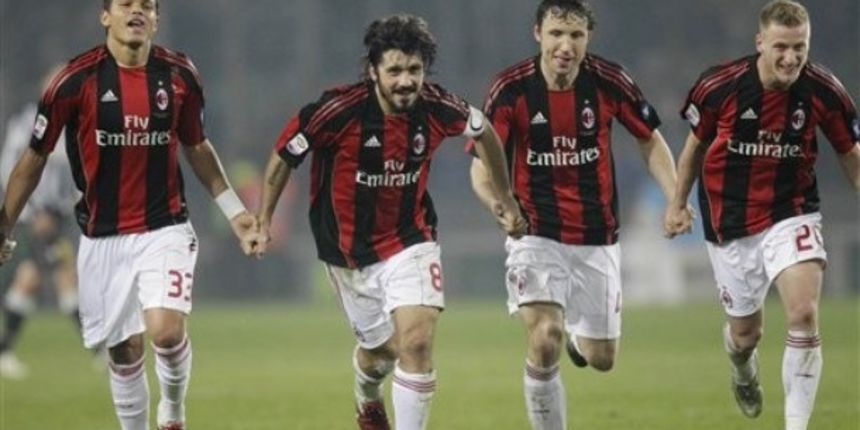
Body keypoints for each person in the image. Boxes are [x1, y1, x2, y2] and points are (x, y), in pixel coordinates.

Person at [256, 13, 526, 430]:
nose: (405, 81)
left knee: (416, 342)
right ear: (373, 71)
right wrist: (263, 221)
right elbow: (283, 157)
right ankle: (366, 394)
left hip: (410, 238)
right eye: (395, 70)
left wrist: (505, 197)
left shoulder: (437, 107)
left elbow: (484, 130)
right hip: (347, 254)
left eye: (414, 70)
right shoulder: (337, 110)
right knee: (382, 353)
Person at [0, 1, 262, 429]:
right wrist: (4, 224)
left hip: (166, 226)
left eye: (147, 6)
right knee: (123, 352)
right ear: (106, 16)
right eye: (126, 4)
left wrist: (235, 213)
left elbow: (197, 146)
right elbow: (34, 157)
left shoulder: (180, 75)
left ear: (157, 19)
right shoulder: (73, 81)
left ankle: (173, 412)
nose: (137, 11)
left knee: (165, 330)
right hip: (102, 237)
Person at [468, 1, 682, 428]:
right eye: (556, 34)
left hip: (596, 236)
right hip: (535, 233)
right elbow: (481, 165)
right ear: (538, 35)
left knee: (602, 359)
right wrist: (498, 205)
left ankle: (579, 341)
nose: (565, 46)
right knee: (544, 337)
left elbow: (650, 140)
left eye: (576, 36)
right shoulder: (510, 89)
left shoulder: (609, 81)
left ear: (588, 38)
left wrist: (675, 197)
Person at [665, 1, 860, 429]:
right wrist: (677, 204)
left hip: (792, 210)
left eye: (800, 47)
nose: (791, 57)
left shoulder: (824, 90)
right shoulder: (720, 86)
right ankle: (741, 367)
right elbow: (695, 147)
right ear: (760, 43)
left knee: (804, 312)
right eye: (781, 47)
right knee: (745, 336)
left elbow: (849, 152)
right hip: (729, 219)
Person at [0, 66, 101, 379]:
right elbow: (10, 172)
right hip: (33, 217)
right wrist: (29, 211)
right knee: (56, 277)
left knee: (42, 278)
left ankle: (5, 351)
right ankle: (99, 351)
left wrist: (76, 203)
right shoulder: (25, 124)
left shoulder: (75, 122)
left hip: (58, 215)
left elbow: (78, 172)